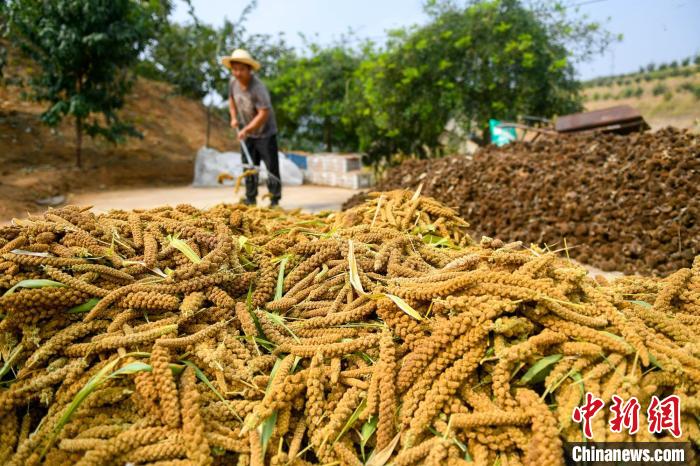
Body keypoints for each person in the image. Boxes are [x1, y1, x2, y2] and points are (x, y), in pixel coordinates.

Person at [221, 49, 281, 207]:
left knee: (271, 167)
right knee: (249, 166)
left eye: (241, 69)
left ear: (249, 69)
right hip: (247, 133)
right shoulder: (233, 83)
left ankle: (274, 200)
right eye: (235, 69)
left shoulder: (258, 88)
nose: (237, 73)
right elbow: (231, 100)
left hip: (265, 133)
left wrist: (247, 129)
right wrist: (234, 118)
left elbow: (264, 113)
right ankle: (250, 198)